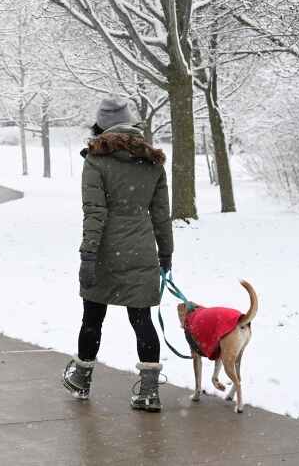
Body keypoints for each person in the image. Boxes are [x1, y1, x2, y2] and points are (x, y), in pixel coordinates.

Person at [62, 98, 173, 412]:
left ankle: (82, 378)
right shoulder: (152, 161)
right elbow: (161, 215)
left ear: (100, 125)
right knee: (142, 320)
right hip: (140, 250)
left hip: (106, 252)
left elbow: (94, 213)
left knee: (93, 318)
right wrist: (165, 253)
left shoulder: (96, 160)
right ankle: (149, 391)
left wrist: (87, 256)